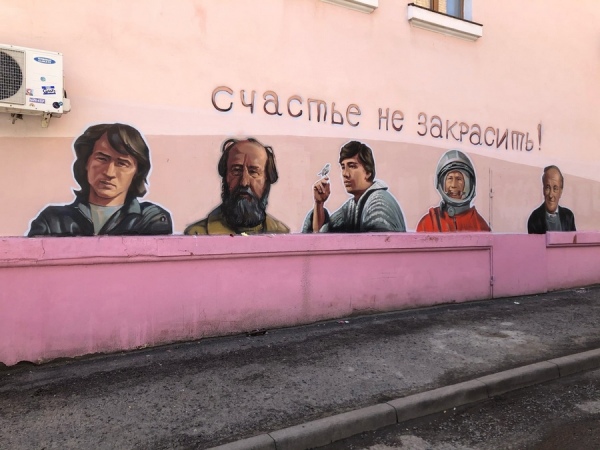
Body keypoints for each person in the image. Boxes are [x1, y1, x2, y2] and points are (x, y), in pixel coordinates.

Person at [27, 123, 172, 236]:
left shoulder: (151, 218)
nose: (109, 172)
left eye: (122, 163)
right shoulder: (53, 220)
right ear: (86, 163)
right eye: (102, 159)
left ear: (137, 172)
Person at [184, 138, 289, 235]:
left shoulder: (282, 234)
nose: (244, 182)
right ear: (225, 176)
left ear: (267, 179)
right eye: (236, 170)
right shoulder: (198, 234)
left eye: (253, 172)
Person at [302, 140, 406, 233]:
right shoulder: (351, 206)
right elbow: (321, 236)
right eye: (343, 167)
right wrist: (319, 204)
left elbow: (378, 245)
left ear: (368, 172)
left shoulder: (379, 202)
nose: (345, 174)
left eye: (352, 166)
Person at [417, 149, 490, 232]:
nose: (454, 185)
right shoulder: (429, 222)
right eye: (450, 178)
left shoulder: (480, 225)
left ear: (468, 184)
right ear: (440, 183)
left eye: (459, 179)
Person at [527, 165, 576, 234]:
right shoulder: (534, 219)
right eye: (547, 188)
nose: (551, 195)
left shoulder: (569, 216)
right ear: (543, 190)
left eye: (555, 188)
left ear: (560, 192)